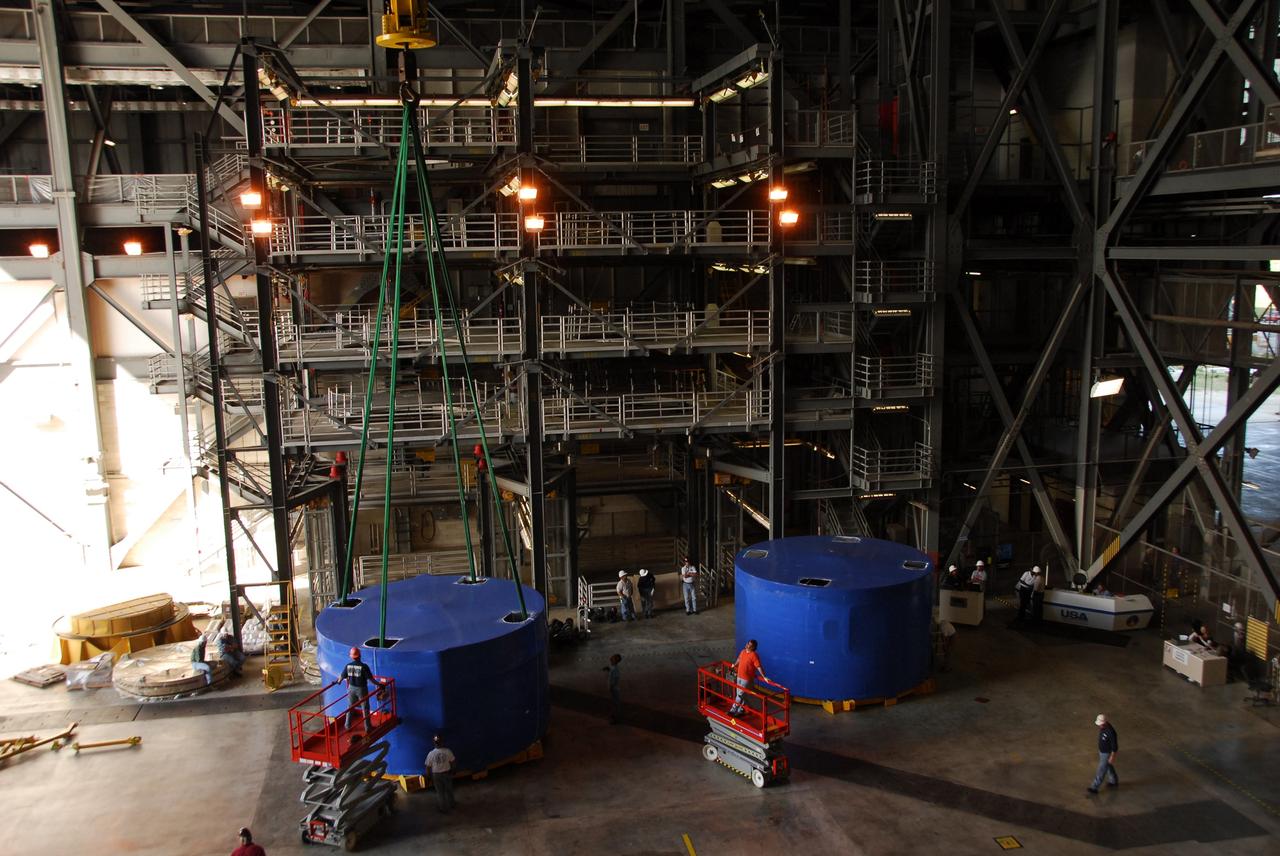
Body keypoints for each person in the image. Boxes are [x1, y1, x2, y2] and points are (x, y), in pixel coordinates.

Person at [341, 647, 386, 730]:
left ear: (351, 656)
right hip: (361, 689)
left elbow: (341, 677)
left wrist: (338, 681)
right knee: (365, 708)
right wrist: (379, 685)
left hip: (351, 688)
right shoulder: (363, 666)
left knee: (350, 707)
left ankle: (347, 726)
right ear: (360, 655)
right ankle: (368, 727)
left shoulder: (348, 666)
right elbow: (371, 679)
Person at [728, 639, 767, 717]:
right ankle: (741, 710)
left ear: (753, 647)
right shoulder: (743, 651)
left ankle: (733, 710)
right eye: (748, 643)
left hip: (746, 679)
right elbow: (739, 659)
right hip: (739, 676)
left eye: (750, 645)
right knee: (741, 695)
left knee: (740, 695)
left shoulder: (754, 655)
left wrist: (764, 676)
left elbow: (758, 666)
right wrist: (735, 665)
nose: (747, 645)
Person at [424, 734, 456, 813]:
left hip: (436, 775)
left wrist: (428, 777)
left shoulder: (431, 754)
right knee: (449, 790)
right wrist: (454, 770)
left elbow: (428, 767)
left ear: (434, 743)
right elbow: (453, 762)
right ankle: (452, 804)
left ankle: (443, 808)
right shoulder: (447, 751)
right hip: (447, 773)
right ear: (442, 742)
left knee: (440, 792)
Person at [1087, 713, 1119, 793]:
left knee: (1101, 769)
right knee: (1108, 766)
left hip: (1107, 753)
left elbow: (1114, 746)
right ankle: (1113, 780)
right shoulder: (1103, 727)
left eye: (1100, 724)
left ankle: (1094, 787)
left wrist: (1112, 756)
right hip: (1102, 752)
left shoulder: (1111, 732)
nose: (1099, 726)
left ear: (1104, 723)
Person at [603, 653, 622, 723]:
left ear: (615, 661)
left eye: (612, 659)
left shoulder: (614, 670)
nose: (610, 659)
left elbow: (613, 681)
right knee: (615, 703)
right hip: (614, 689)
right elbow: (612, 671)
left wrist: (610, 688)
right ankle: (615, 716)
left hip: (614, 689)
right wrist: (608, 669)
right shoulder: (614, 668)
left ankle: (615, 719)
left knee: (615, 704)